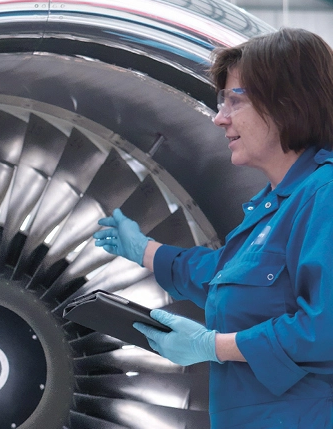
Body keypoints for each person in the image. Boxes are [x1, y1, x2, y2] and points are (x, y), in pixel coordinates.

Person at [95, 28, 333, 427]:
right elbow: (226, 280)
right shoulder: (274, 206)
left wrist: (213, 346)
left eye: (234, 101)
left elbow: (323, 329)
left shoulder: (323, 195)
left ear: (288, 104)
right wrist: (144, 250)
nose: (219, 118)